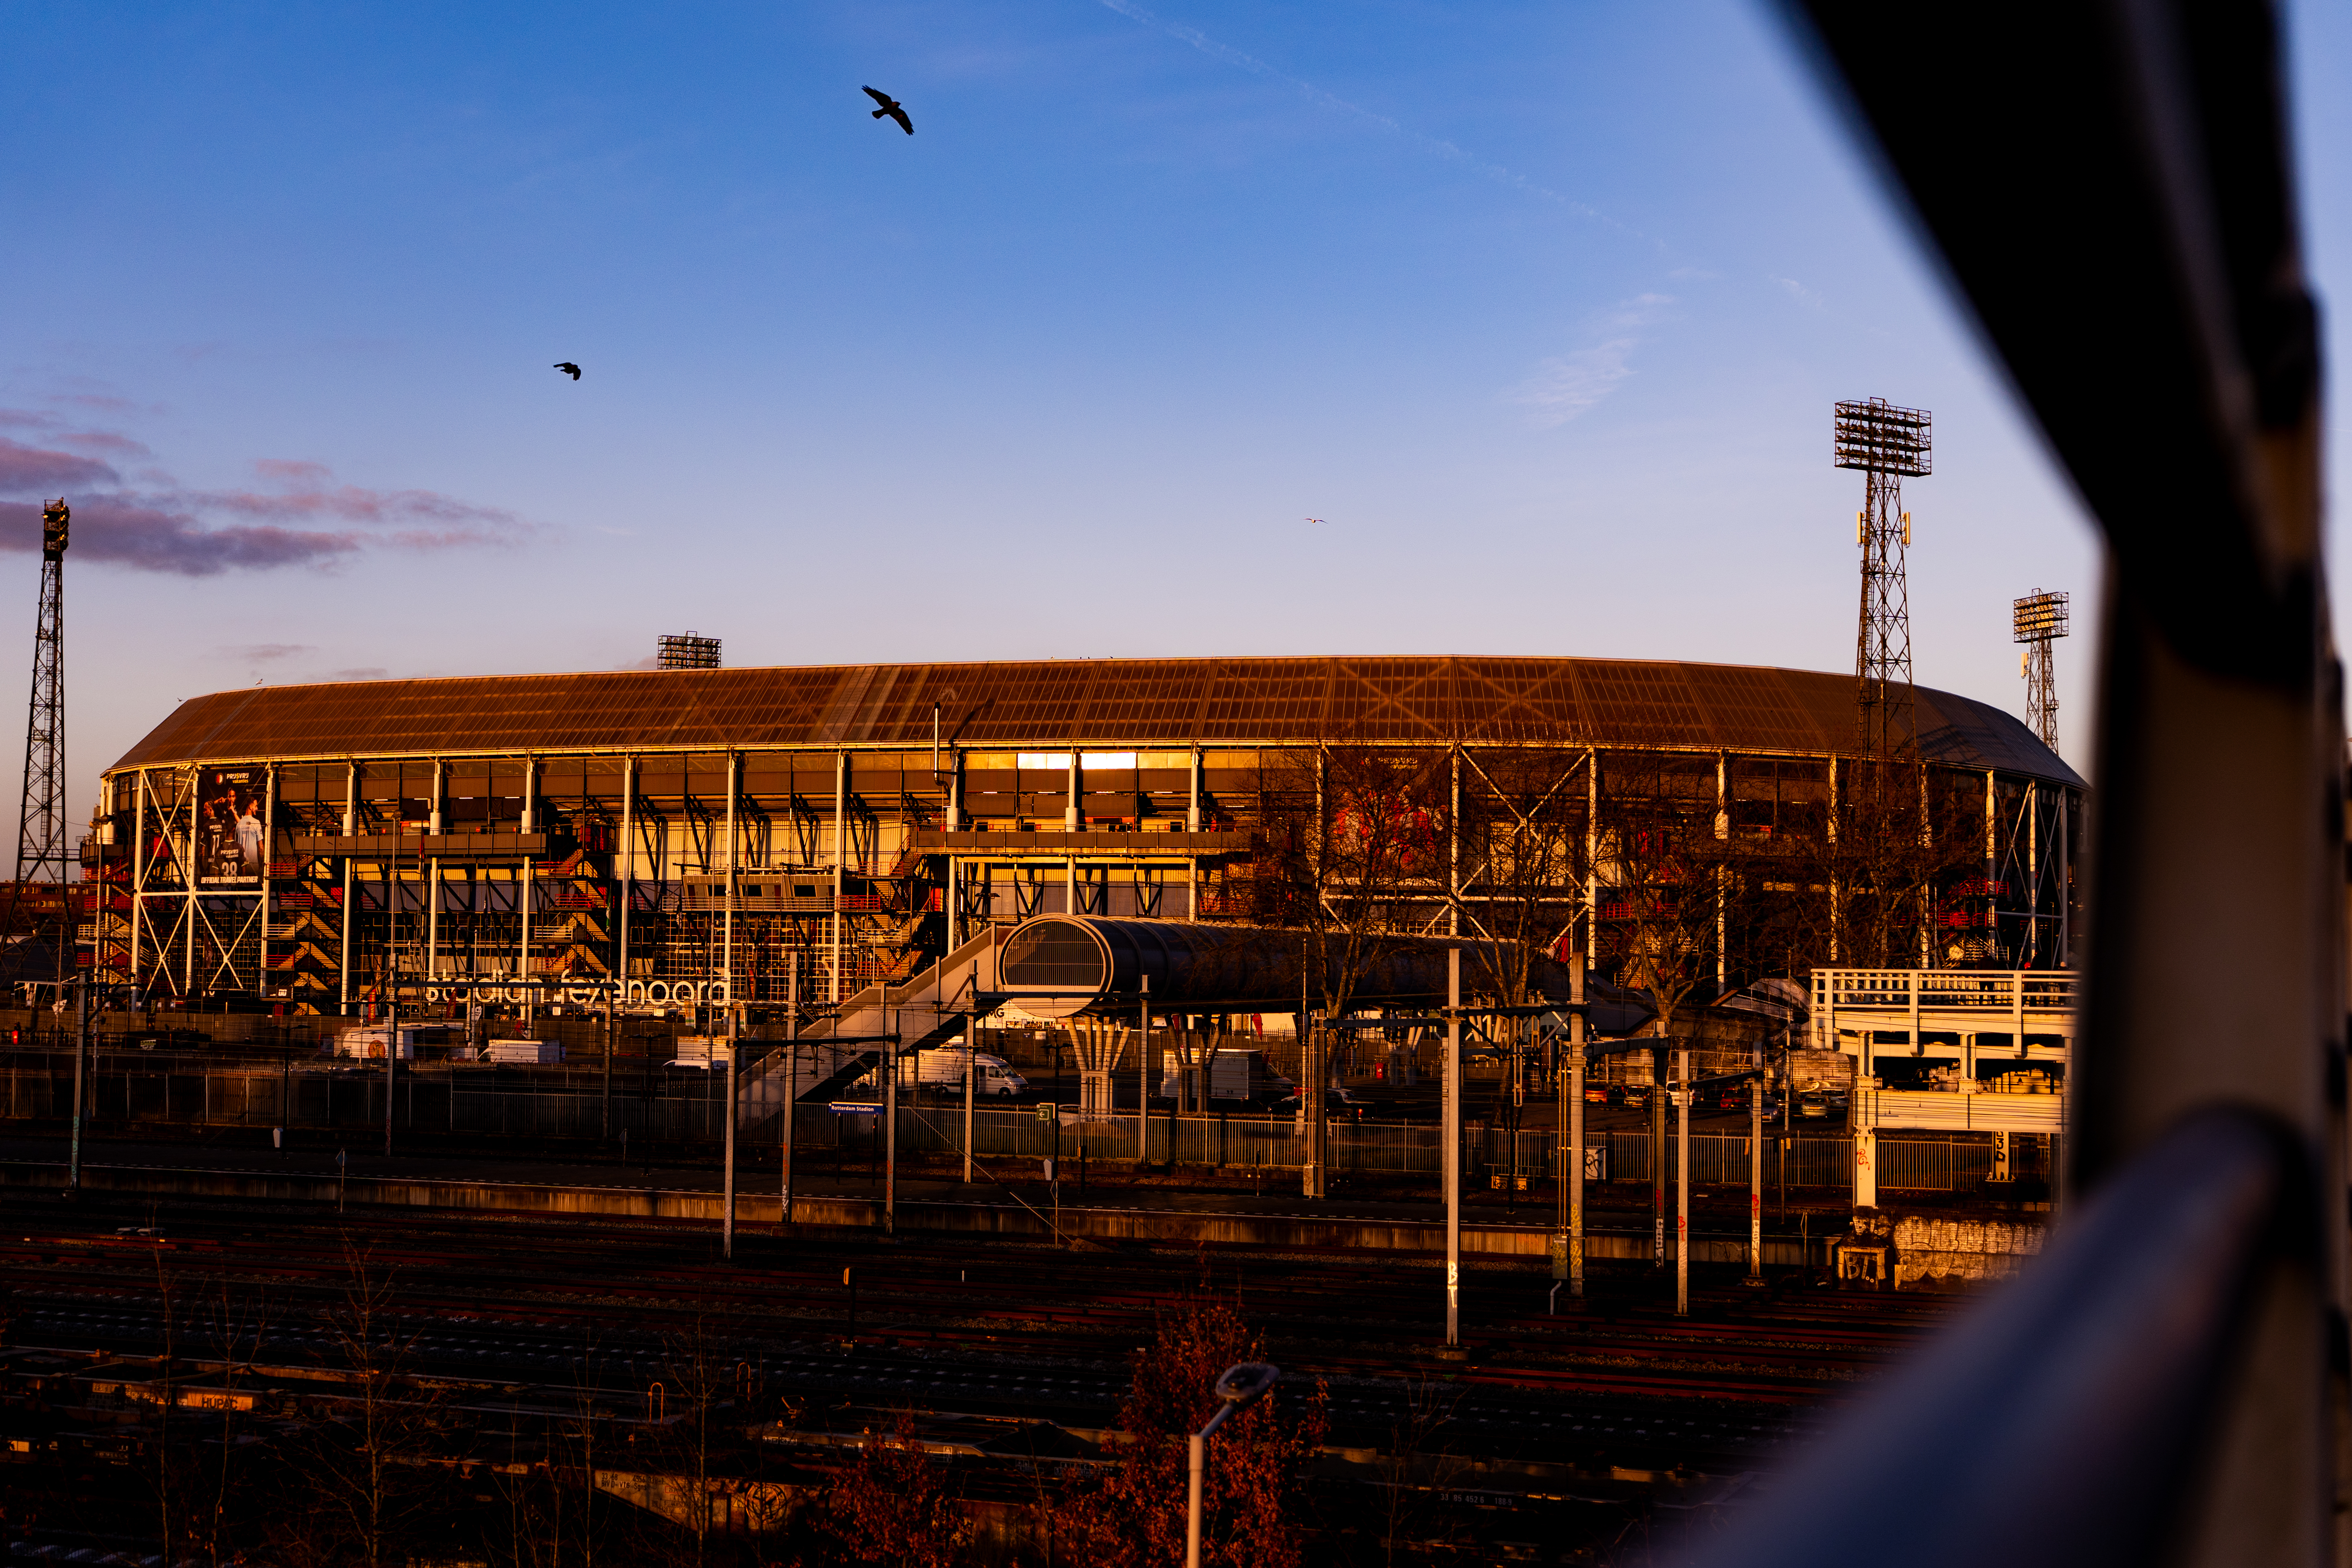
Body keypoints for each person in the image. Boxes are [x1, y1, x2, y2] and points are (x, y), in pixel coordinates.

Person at [235, 795, 264, 877]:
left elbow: (236, 847)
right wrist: (262, 864)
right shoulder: (256, 823)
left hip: (240, 868)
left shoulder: (239, 824)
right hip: (253, 868)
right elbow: (261, 847)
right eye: (256, 806)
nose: (257, 809)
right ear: (250, 807)